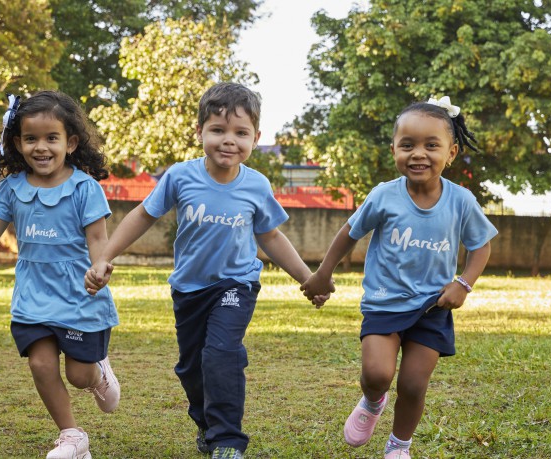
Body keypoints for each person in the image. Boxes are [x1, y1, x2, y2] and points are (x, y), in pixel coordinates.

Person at [85, 82, 326, 459]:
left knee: (221, 354)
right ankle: (208, 425)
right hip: (189, 290)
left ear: (255, 138)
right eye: (218, 130)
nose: (229, 141)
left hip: (236, 284)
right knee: (191, 368)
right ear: (199, 132)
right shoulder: (181, 176)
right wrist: (105, 257)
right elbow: (142, 216)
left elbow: (272, 237)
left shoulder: (256, 185)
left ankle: (227, 441)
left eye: (241, 133)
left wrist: (307, 278)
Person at [0, 90, 120, 459]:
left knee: (79, 376)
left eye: (52, 138)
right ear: (17, 143)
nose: (41, 147)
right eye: (31, 138)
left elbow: (98, 239)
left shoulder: (84, 188)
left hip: (80, 295)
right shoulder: (11, 188)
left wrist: (100, 267)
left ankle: (100, 373)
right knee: (41, 363)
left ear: (71, 142)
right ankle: (72, 437)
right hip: (33, 295)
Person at [301, 96, 498, 459]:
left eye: (431, 145)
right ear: (394, 149)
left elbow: (481, 246)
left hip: (432, 307)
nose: (418, 153)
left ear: (451, 152)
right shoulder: (384, 195)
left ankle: (398, 446)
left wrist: (464, 283)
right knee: (378, 373)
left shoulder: (461, 201)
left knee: (412, 384)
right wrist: (322, 274)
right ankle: (373, 402)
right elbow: (349, 231)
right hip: (384, 301)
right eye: (407, 145)